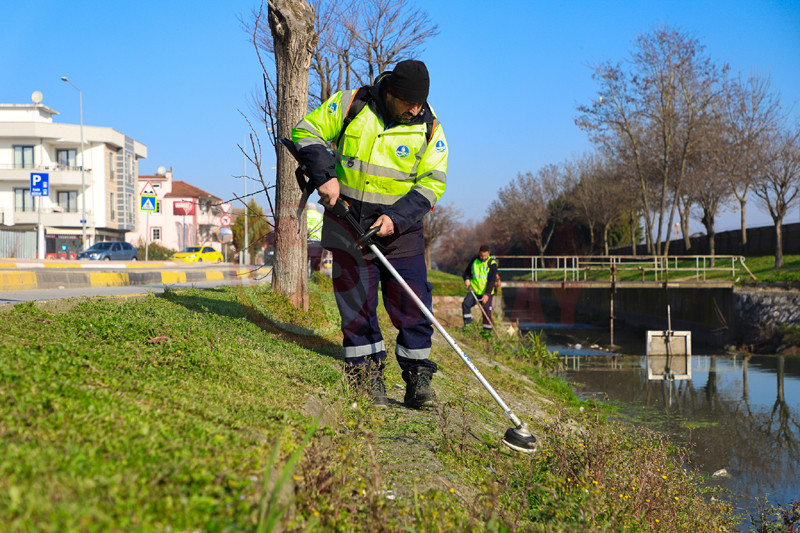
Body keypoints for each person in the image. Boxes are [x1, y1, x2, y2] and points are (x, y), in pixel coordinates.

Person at [292, 59, 448, 408]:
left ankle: (418, 377)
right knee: (356, 305)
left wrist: (396, 218)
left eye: (420, 103)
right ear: (391, 93)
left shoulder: (430, 128)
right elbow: (305, 130)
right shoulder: (352, 104)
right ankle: (366, 376)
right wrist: (324, 175)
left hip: (400, 232)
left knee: (411, 304)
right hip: (347, 222)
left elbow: (433, 183)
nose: (415, 109)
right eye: (409, 103)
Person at [462, 245, 498, 333]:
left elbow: (491, 281)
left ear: (488, 253)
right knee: (465, 304)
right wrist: (466, 279)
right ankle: (468, 326)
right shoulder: (474, 260)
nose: (483, 258)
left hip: (486, 292)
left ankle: (487, 333)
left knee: (486, 311)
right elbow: (466, 272)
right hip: (475, 290)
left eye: (485, 256)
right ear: (479, 253)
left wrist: (487, 294)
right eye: (482, 256)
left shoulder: (492, 264)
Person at [306, 203, 324, 272]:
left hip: (306, 241)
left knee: (303, 262)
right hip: (317, 241)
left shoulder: (304, 215)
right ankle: (315, 278)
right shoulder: (320, 216)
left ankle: (305, 278)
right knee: (316, 263)